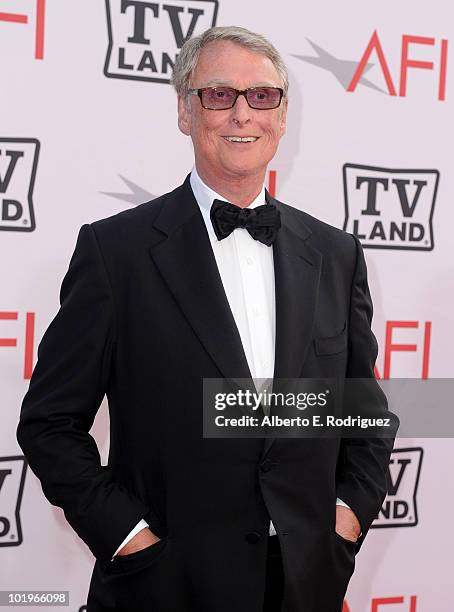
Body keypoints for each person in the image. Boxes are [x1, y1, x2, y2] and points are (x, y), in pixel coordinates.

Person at [16, 25, 398, 612]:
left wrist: (342, 525)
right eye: (219, 95)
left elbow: (365, 412)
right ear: (184, 111)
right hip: (166, 583)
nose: (243, 113)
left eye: (262, 96)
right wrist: (127, 538)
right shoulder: (116, 253)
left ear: (283, 114)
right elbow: (49, 423)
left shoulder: (335, 254)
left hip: (303, 583)